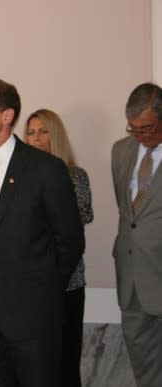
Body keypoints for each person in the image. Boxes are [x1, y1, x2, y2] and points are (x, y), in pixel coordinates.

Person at [0, 78, 84, 387]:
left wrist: (43, 290)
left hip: (33, 317)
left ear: (7, 115)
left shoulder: (45, 168)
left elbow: (70, 240)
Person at [24, 108, 93, 387]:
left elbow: (80, 219)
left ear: (56, 136)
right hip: (28, 285)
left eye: (43, 131)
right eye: (30, 132)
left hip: (67, 283)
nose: (37, 138)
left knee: (65, 361)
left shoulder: (75, 175)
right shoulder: (18, 179)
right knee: (33, 363)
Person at [112, 82, 162, 387]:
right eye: (134, 129)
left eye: (147, 128)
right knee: (146, 371)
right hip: (131, 281)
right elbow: (128, 213)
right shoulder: (121, 150)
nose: (141, 136)